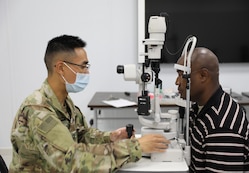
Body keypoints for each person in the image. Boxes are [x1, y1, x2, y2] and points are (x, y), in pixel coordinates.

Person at [9, 35, 170, 173]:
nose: (87, 72)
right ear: (60, 68)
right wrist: (137, 147)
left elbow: (81, 135)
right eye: (83, 66)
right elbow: (73, 160)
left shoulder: (64, 102)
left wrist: (111, 137)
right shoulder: (38, 110)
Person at [175, 47, 249, 172]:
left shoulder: (222, 127)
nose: (177, 82)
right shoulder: (198, 108)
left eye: (182, 75)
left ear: (203, 75)